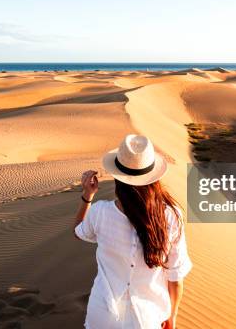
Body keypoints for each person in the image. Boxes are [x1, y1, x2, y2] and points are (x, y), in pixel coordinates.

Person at [74, 134, 192, 329]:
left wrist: (87, 196)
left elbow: (78, 231)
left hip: (102, 318)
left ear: (117, 178)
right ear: (153, 178)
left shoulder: (100, 212)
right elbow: (175, 277)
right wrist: (172, 316)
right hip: (147, 320)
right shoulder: (171, 216)